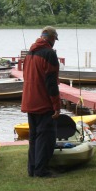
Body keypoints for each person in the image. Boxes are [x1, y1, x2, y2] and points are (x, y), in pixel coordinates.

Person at [21, 26, 62, 178]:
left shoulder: (30, 52)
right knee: (46, 137)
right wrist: (57, 106)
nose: (54, 43)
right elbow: (51, 83)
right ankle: (41, 170)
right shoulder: (49, 54)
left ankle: (32, 169)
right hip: (43, 102)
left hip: (29, 100)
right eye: (54, 40)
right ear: (51, 38)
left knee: (34, 137)